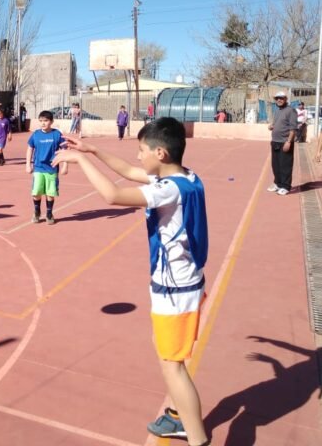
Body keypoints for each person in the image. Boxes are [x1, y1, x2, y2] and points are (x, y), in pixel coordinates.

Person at [52, 117, 210, 446]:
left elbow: (112, 194)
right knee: (166, 351)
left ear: (161, 153)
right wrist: (93, 150)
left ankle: (196, 437)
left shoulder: (166, 191)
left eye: (142, 151)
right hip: (185, 282)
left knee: (173, 367)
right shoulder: (188, 178)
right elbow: (127, 171)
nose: (139, 157)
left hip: (175, 291)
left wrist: (80, 160)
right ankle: (178, 415)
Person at [26, 110, 67, 225]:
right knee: (36, 192)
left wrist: (65, 165)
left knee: (50, 193)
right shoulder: (36, 134)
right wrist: (28, 164)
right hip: (38, 167)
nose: (43, 123)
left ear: (51, 121)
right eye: (41, 121)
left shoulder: (57, 134)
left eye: (46, 121)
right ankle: (37, 211)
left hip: (52, 168)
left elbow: (65, 150)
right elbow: (30, 148)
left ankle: (49, 213)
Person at [267, 91, 297, 196]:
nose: (279, 100)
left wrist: (289, 141)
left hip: (285, 142)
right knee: (276, 165)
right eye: (277, 98)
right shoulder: (277, 111)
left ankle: (286, 186)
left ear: (285, 99)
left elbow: (293, 128)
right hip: (275, 141)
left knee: (285, 165)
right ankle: (278, 183)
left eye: (281, 98)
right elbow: (276, 123)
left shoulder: (291, 111)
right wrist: (271, 126)